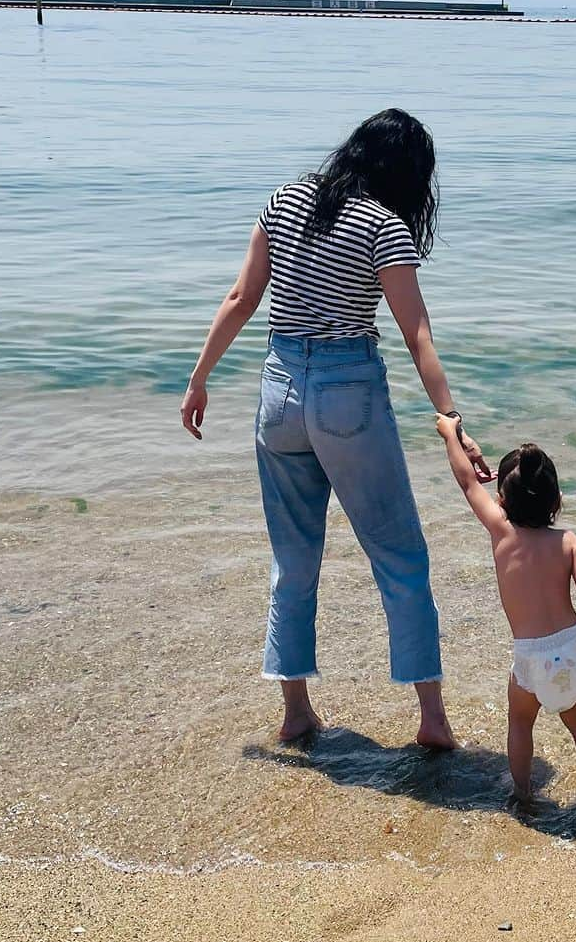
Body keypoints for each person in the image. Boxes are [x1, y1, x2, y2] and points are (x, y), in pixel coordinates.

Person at [180, 108, 490, 747]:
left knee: (293, 560)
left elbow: (241, 298)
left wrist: (198, 378)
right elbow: (416, 334)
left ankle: (295, 713)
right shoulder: (384, 225)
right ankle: (431, 721)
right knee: (400, 555)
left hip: (279, 390)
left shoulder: (285, 199)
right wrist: (450, 419)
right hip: (347, 390)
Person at [434, 416, 576, 802]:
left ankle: (524, 793)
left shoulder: (501, 531)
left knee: (521, 723)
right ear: (557, 501)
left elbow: (466, 480)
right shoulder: (568, 541)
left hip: (532, 657)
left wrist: (451, 434)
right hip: (574, 646)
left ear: (501, 501)